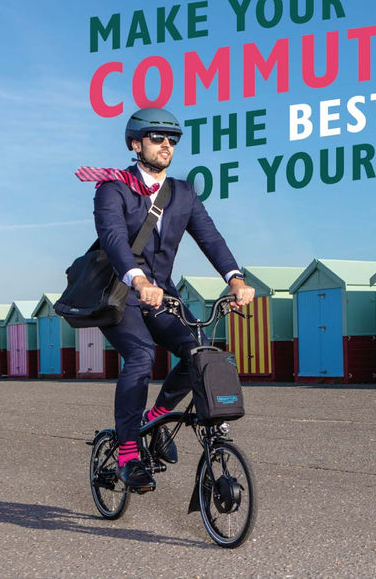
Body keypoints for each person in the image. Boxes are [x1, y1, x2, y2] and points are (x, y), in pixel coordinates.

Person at [80, 107, 254, 490]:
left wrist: (235, 278)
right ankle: (127, 452)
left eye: (172, 140)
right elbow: (112, 239)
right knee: (141, 357)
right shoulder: (113, 188)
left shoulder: (183, 193)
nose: (166, 146)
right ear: (135, 143)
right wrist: (139, 279)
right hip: (120, 293)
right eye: (157, 138)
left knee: (200, 351)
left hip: (162, 294)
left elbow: (210, 238)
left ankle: (156, 418)